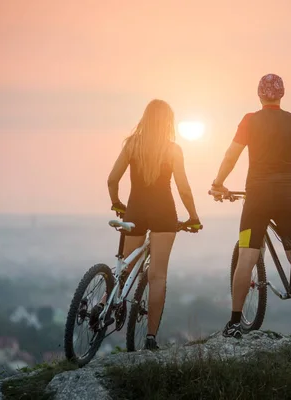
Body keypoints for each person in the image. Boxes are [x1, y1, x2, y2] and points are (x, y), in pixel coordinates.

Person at [210, 73, 291, 338]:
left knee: (247, 254)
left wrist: (218, 182)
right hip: (287, 197)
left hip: (257, 197)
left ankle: (235, 322)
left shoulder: (250, 121)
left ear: (259, 95)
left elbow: (231, 156)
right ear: (281, 95)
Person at [106, 99, 202, 350]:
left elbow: (112, 179)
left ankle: (104, 306)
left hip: (135, 210)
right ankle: (150, 339)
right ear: (168, 122)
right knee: (157, 276)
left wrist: (117, 203)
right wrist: (194, 217)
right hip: (163, 213)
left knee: (123, 270)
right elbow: (184, 188)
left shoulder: (132, 144)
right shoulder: (172, 149)